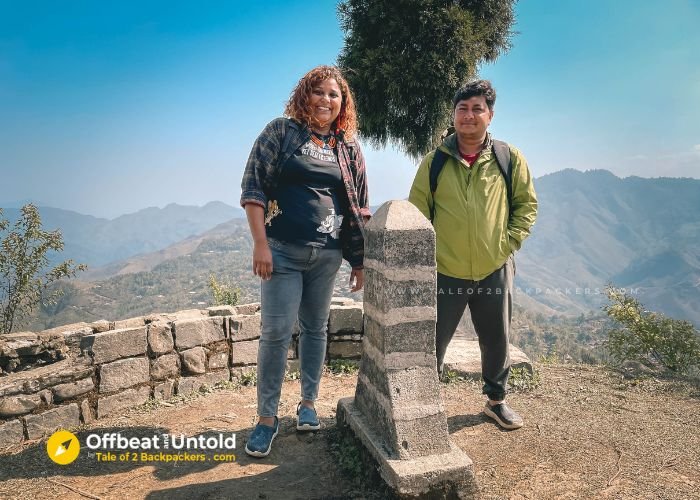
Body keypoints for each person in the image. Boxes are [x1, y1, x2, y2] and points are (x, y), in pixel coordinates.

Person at [240, 65, 370, 457]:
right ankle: (266, 419)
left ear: (342, 102)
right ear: (305, 95)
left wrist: (358, 260)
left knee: (316, 329)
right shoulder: (281, 133)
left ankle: (309, 405)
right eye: (319, 92)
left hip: (327, 255)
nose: (326, 100)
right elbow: (253, 188)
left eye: (334, 95)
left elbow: (359, 207)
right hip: (281, 251)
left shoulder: (346, 147)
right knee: (276, 333)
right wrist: (260, 244)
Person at [408, 80, 537, 430]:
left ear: (490, 115)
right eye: (462, 108)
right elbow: (417, 215)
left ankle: (496, 401)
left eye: (477, 108)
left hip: (494, 268)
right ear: (454, 114)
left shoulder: (507, 159)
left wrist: (506, 244)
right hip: (444, 270)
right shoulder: (434, 162)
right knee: (432, 340)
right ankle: (425, 407)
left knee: (497, 338)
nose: (469, 115)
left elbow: (526, 206)